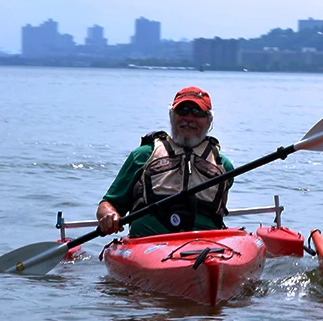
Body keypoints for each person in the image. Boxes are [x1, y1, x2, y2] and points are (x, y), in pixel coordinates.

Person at [96, 86, 234, 237]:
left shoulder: (223, 166)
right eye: (182, 111)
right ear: (171, 116)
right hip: (147, 244)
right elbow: (107, 204)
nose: (188, 118)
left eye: (197, 112)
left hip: (205, 246)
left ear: (209, 121)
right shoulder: (143, 155)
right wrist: (109, 215)